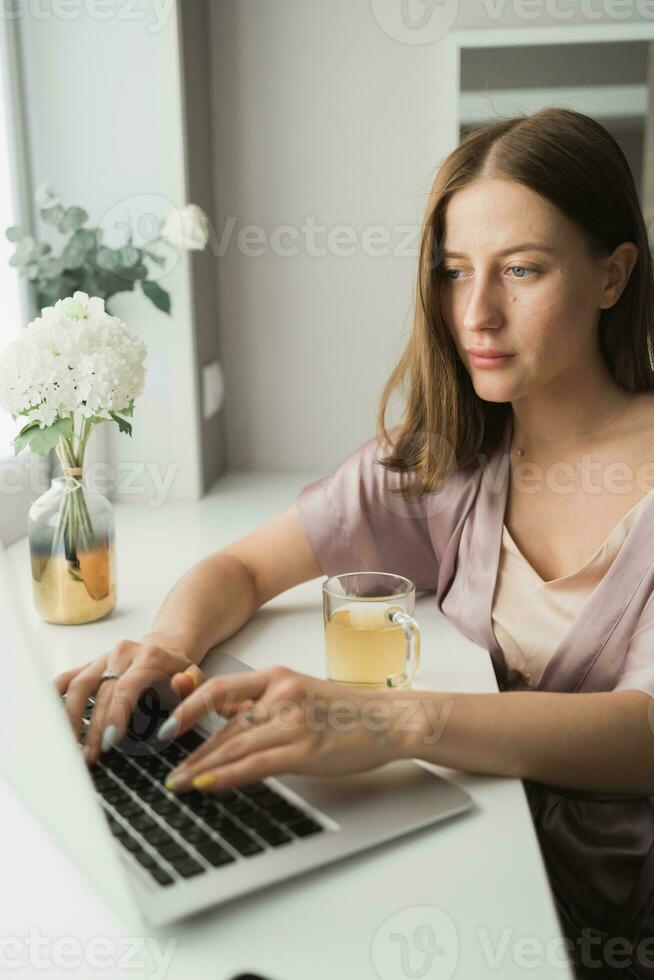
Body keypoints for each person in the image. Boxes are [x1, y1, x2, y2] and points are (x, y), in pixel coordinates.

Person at [56, 107, 654, 979]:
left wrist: (388, 719)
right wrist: (162, 651)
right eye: (454, 273)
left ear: (613, 275)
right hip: (481, 849)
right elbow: (246, 564)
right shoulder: (455, 456)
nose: (477, 313)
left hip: (611, 915)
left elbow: (643, 730)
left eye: (522, 270)